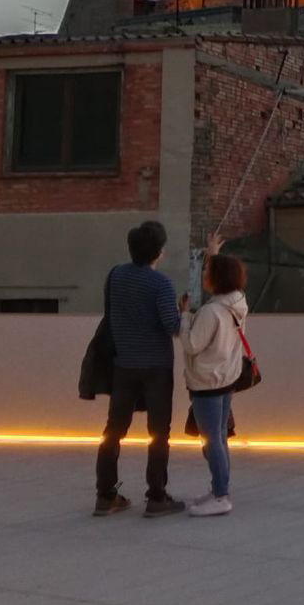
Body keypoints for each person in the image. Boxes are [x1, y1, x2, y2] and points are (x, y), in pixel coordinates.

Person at [94, 221, 185, 517]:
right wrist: (182, 312)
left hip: (123, 364)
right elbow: (172, 326)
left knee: (114, 430)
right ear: (159, 252)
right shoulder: (161, 284)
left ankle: (105, 494)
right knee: (159, 432)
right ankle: (156, 496)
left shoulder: (116, 276)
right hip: (157, 367)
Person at [180, 237, 247, 516]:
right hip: (227, 378)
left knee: (212, 441)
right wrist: (213, 255)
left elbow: (191, 344)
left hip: (207, 381)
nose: (205, 275)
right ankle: (219, 489)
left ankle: (221, 495)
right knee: (219, 437)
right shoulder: (238, 301)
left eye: (208, 271)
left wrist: (184, 316)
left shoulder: (211, 312)